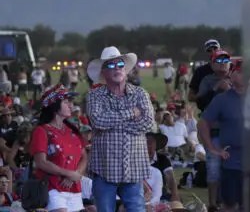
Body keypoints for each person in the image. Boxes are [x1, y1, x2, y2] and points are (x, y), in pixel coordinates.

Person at [86, 46, 155, 212]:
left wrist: (110, 126)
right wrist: (132, 113)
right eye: (110, 65)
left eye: (120, 64)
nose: (116, 68)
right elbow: (98, 121)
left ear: (126, 69)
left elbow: (147, 123)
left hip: (133, 168)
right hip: (104, 168)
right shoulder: (94, 95)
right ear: (103, 72)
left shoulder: (140, 94)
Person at [29, 83, 88, 212]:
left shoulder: (72, 130)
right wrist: (68, 174)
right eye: (66, 102)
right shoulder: (42, 130)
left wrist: (76, 174)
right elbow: (41, 162)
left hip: (74, 189)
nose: (70, 105)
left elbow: (84, 156)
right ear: (54, 106)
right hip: (52, 187)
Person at [199, 69, 245, 212]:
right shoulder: (222, 99)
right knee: (230, 204)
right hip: (231, 161)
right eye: (239, 71)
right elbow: (203, 123)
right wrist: (212, 148)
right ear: (232, 75)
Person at [187, 39, 221, 105]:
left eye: (215, 48)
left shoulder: (230, 67)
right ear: (206, 53)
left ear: (220, 50)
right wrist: (201, 95)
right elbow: (190, 97)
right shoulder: (200, 71)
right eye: (209, 50)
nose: (213, 52)